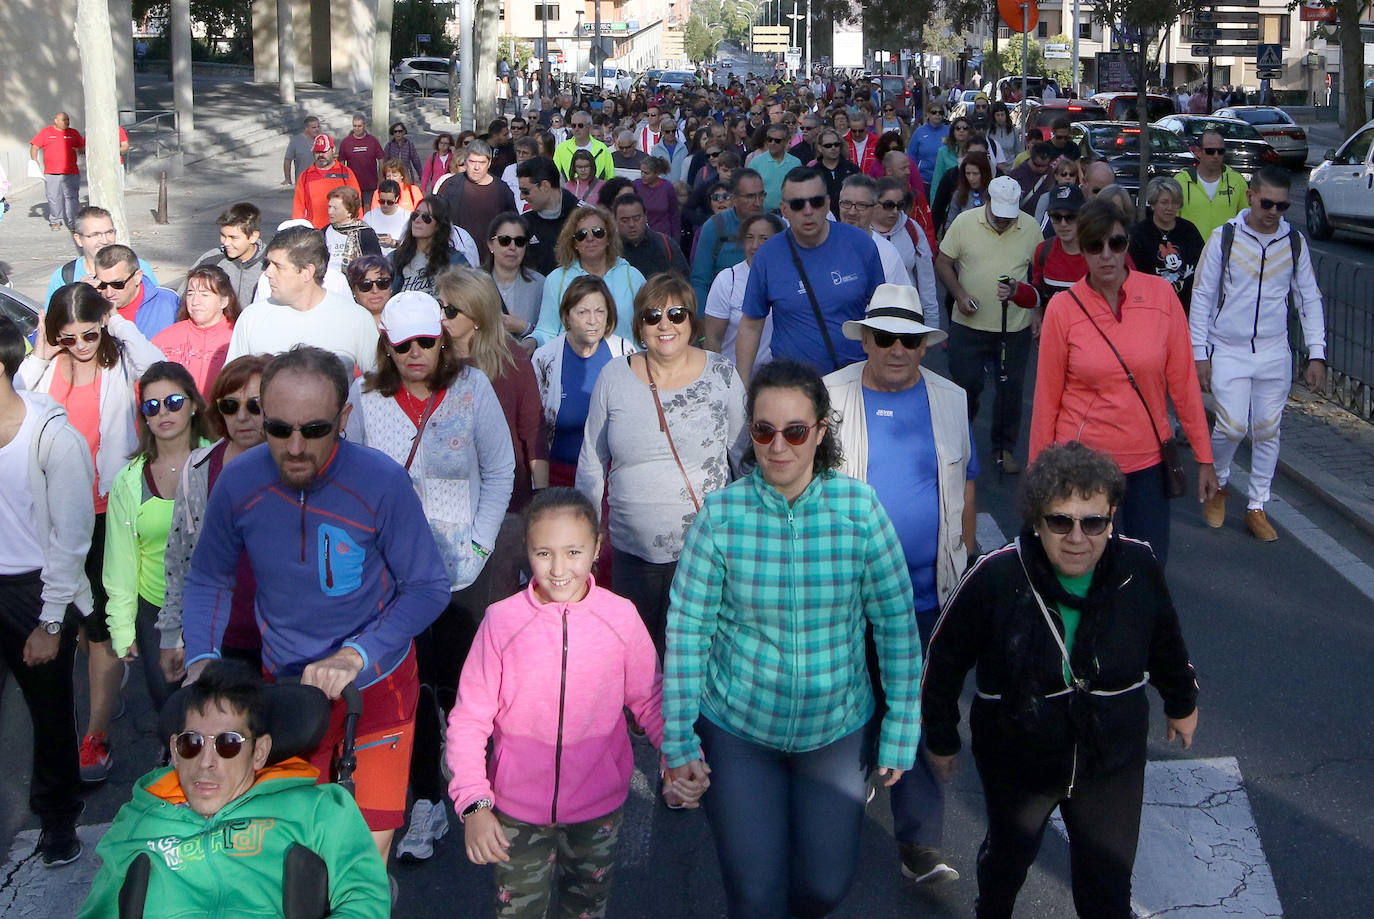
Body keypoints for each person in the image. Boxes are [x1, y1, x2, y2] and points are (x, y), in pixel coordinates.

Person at [662, 359, 921, 919]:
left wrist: (902, 722)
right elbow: (687, 631)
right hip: (740, 731)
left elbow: (896, 624)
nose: (778, 446)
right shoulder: (721, 516)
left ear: (821, 431)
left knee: (825, 887)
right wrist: (679, 738)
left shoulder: (860, 510)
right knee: (755, 896)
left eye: (795, 431)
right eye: (763, 431)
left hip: (836, 731)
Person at [181, 346, 451, 862]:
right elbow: (210, 579)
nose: (296, 447)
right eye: (278, 429)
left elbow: (427, 587)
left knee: (360, 860)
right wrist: (200, 660)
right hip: (284, 688)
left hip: (375, 688)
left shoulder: (382, 482)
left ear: (344, 417)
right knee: (292, 852)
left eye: (315, 430)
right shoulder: (239, 482)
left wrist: (355, 654)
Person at [922, 441, 1200, 919]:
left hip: (1110, 756)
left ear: (1112, 518)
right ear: (1036, 520)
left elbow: (1166, 640)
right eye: (1060, 521)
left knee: (1108, 885)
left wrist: (1181, 701)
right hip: (1018, 753)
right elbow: (944, 661)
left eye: (1093, 522)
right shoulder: (996, 576)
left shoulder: (1137, 566)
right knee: (1008, 861)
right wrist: (942, 739)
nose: (1077, 537)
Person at [447, 488, 703, 918]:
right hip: (515, 812)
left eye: (573, 552)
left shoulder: (620, 617)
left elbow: (651, 699)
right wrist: (473, 802)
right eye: (544, 553)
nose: (559, 568)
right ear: (527, 550)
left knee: (586, 910)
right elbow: (470, 718)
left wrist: (679, 755)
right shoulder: (501, 621)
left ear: (597, 548)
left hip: (597, 810)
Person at [346, 292, 515, 864]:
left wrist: (480, 541)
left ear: (442, 339)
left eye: (425, 341)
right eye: (403, 345)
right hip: (392, 576)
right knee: (409, 691)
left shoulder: (471, 389)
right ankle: (424, 799)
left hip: (460, 569)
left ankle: (476, 784)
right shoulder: (366, 399)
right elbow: (354, 480)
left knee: (463, 686)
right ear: (386, 348)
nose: (416, 353)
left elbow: (499, 469)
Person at [822, 287, 974, 884]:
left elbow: (964, 487)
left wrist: (966, 557)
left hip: (926, 593)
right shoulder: (829, 397)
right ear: (864, 339)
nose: (896, 349)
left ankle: (920, 847)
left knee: (913, 709)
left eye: (909, 339)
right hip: (846, 592)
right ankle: (840, 803)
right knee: (850, 708)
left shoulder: (951, 399)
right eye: (883, 337)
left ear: (923, 346)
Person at [75, 663, 391, 918]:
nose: (205, 763)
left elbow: (365, 900)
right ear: (174, 749)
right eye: (191, 744)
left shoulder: (319, 810)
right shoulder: (137, 820)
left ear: (259, 752)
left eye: (228, 744)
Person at [22, 283, 166, 782]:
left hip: (107, 510)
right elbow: (18, 403)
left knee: (101, 624)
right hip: (52, 516)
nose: (81, 345)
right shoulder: (42, 369)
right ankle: (110, 684)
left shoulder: (121, 359)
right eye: (69, 337)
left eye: (89, 333)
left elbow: (160, 367)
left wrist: (117, 323)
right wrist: (43, 347)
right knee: (79, 620)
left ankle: (96, 733)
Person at [1031, 198, 1217, 566]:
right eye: (1094, 245)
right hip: (1082, 467)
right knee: (1088, 575)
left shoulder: (1161, 296)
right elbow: (1046, 399)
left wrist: (1205, 457)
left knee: (1146, 573)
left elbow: (1183, 384)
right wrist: (1039, 476)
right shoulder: (1063, 309)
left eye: (1115, 243)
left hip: (1147, 466)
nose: (1106, 255)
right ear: (1081, 250)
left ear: (1126, 245)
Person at [577, 274, 747, 654]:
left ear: (692, 321)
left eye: (676, 313)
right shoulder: (613, 376)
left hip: (706, 554)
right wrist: (583, 538)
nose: (665, 324)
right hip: (630, 555)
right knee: (633, 661)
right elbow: (591, 461)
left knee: (693, 659)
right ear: (639, 326)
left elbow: (743, 458)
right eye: (653, 316)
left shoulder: (723, 374)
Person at [1190, 167, 1327, 542]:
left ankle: (1257, 506)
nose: (1273, 212)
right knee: (1232, 426)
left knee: (1268, 429)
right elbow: (1201, 297)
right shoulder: (1226, 238)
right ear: (1251, 196)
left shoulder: (1293, 242)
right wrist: (1199, 353)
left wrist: (1317, 354)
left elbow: (1309, 298)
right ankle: (1218, 483)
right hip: (1229, 349)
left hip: (1273, 350)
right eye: (1267, 203)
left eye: (1282, 206)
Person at [0, 315, 91, 867]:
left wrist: (51, 620)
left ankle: (58, 818)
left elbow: (73, 534)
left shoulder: (52, 435)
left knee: (49, 713)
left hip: (36, 590)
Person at [157, 355, 272, 681]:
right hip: (216, 638)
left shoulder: (294, 466)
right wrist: (172, 636)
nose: (242, 416)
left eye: (254, 405)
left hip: (283, 640)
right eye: (229, 406)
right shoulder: (198, 468)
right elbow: (178, 557)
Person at [104, 362, 211, 711]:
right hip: (156, 612)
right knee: (169, 710)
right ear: (144, 417)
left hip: (214, 606)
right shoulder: (129, 480)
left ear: (194, 404)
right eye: (152, 406)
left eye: (174, 402)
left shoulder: (221, 461)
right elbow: (120, 562)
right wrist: (122, 627)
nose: (163, 412)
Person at [936, 175, 1042, 474]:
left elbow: (1038, 273)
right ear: (989, 202)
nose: (1005, 221)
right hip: (969, 325)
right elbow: (943, 262)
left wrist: (1036, 310)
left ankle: (1004, 449)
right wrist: (959, 294)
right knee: (966, 385)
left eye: (1010, 215)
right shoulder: (965, 222)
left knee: (1011, 391)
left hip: (1014, 327)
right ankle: (960, 443)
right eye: (999, 214)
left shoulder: (1031, 227)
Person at [737, 167, 885, 380]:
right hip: (793, 383)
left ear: (827, 204)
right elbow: (751, 325)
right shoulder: (768, 255)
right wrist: (742, 388)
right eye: (797, 204)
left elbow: (883, 312)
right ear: (783, 209)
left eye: (815, 202)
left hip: (854, 379)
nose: (808, 211)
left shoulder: (861, 244)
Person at [437, 267, 548, 519]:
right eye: (439, 306)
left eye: (451, 310)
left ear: (477, 316)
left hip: (504, 495)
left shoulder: (513, 357)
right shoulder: (431, 356)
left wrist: (541, 494)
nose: (442, 316)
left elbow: (532, 431)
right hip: (447, 494)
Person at [226, 226, 380, 373]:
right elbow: (232, 388)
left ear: (307, 272)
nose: (268, 273)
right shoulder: (251, 317)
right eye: (268, 264)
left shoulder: (356, 319)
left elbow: (379, 384)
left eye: (277, 266)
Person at [533, 275, 637, 486]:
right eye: (583, 312)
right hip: (557, 476)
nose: (593, 320)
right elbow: (533, 429)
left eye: (600, 312)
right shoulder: (544, 358)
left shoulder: (625, 353)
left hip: (610, 478)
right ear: (566, 316)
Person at [532, 206, 646, 345]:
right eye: (582, 234)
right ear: (574, 243)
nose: (590, 238)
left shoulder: (632, 276)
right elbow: (547, 331)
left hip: (625, 362)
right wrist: (530, 342)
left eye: (598, 232)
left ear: (608, 238)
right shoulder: (556, 280)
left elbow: (645, 327)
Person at [703, 213, 782, 370]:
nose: (755, 245)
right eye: (749, 237)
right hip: (734, 376)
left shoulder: (789, 278)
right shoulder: (727, 280)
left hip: (777, 377)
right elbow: (713, 338)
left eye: (764, 238)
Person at [152, 265, 240, 395]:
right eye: (190, 293)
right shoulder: (165, 338)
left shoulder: (238, 337)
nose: (195, 301)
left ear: (224, 301)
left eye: (205, 294)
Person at [1128, 176, 1206, 315]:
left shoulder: (1189, 230)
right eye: (1164, 202)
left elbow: (1202, 265)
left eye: (1175, 202)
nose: (1170, 208)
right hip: (1150, 308)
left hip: (1186, 309)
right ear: (1152, 204)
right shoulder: (1140, 233)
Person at [47, 206, 160, 301]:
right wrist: (77, 296)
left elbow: (157, 305)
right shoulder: (65, 276)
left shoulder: (138, 267)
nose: (105, 241)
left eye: (109, 232)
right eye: (96, 234)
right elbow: (54, 322)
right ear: (78, 239)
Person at [872, 176, 941, 329]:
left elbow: (927, 281)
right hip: (871, 319)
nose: (895, 211)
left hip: (907, 317)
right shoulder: (861, 232)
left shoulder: (912, 229)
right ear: (874, 203)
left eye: (900, 205)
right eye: (889, 205)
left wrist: (931, 323)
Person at [690, 168, 765, 308]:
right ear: (734, 199)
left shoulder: (776, 225)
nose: (757, 203)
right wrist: (702, 320)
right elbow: (700, 280)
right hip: (724, 311)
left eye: (761, 196)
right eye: (750, 197)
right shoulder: (714, 227)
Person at [439, 139, 519, 264]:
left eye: (481, 162)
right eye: (472, 162)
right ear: (465, 161)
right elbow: (437, 220)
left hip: (489, 260)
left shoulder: (502, 190)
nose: (476, 167)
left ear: (489, 163)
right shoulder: (450, 185)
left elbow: (513, 225)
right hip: (455, 259)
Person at [838, 175, 917, 291]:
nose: (852, 211)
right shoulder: (823, 245)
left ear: (874, 208)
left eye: (861, 205)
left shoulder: (887, 253)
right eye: (846, 203)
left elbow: (901, 303)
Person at [182, 203, 267, 308]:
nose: (226, 242)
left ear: (253, 237)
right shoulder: (211, 260)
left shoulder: (270, 263)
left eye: (233, 237)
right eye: (223, 235)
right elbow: (183, 296)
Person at [92, 244, 179, 339]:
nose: (109, 293)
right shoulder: (90, 308)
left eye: (118, 284)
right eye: (102, 285)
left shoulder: (170, 302)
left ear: (137, 277)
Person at [389, 195, 469, 297]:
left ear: (439, 225)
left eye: (426, 218)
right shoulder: (394, 258)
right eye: (415, 215)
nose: (417, 220)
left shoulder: (456, 261)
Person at [484, 212, 546, 343]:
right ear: (490, 244)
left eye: (519, 241)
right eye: (504, 240)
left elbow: (550, 335)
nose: (512, 247)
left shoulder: (541, 285)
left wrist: (525, 328)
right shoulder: (473, 283)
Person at [516, 156, 581, 276]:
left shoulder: (583, 218)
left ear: (545, 186)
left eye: (525, 191)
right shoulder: (524, 223)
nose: (522, 197)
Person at [1177, 130, 1248, 240]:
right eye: (1210, 151)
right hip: (1191, 251)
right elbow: (1172, 219)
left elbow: (1247, 218)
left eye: (1220, 151)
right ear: (1198, 152)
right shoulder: (1181, 181)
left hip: (1226, 251)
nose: (1216, 155)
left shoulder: (1237, 180)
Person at [1031, 184, 1090, 305]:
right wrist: (1016, 291)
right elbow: (1039, 293)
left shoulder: (1102, 251)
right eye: (1056, 217)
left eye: (1071, 217)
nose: (1063, 224)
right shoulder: (1043, 250)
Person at [613, 193, 689, 281]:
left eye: (637, 218)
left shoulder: (665, 244)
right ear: (615, 220)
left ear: (645, 217)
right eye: (625, 220)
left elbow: (683, 281)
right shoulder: (609, 249)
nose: (631, 224)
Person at [292, 134, 361, 230]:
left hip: (341, 231)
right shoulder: (305, 176)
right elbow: (298, 208)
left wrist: (356, 227)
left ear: (333, 150)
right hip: (315, 233)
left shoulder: (345, 173)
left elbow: (357, 203)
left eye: (324, 151)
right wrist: (298, 230)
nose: (320, 155)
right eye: (317, 152)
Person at [30, 112, 85, 230]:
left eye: (68, 120)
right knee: (53, 197)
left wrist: (82, 151)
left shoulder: (73, 133)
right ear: (56, 120)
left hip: (71, 172)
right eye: (64, 120)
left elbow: (81, 147)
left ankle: (73, 222)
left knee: (71, 197)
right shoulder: (46, 132)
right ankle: (55, 220)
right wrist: (34, 161)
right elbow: (34, 146)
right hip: (51, 172)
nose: (67, 122)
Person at [323, 185, 383, 279]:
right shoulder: (324, 232)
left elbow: (375, 266)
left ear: (349, 212)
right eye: (329, 207)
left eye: (335, 208)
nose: (330, 212)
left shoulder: (365, 233)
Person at [753, 123, 803, 212]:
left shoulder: (795, 163)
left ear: (786, 141)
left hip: (788, 213)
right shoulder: (756, 162)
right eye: (769, 139)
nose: (773, 143)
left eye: (777, 141)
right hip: (763, 214)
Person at [554, 113, 615, 181]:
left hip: (596, 190)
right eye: (573, 126)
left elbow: (610, 177)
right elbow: (554, 175)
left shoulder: (602, 149)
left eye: (580, 125)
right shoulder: (561, 148)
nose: (576, 129)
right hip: (569, 190)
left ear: (589, 127)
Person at [338, 115, 385, 205]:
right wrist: (343, 181)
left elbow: (381, 159)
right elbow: (341, 163)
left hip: (370, 184)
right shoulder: (346, 142)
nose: (357, 128)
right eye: (354, 126)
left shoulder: (372, 141)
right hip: (353, 184)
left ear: (364, 126)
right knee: (355, 210)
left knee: (369, 210)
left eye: (359, 126)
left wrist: (381, 178)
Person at [633, 156, 681, 241]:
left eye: (646, 173)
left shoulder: (667, 187)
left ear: (657, 173)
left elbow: (674, 214)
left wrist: (676, 239)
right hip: (641, 235)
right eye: (642, 172)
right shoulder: (636, 185)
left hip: (663, 235)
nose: (643, 175)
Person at [907, 103, 950, 190]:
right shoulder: (919, 132)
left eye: (940, 112)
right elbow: (911, 155)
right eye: (934, 112)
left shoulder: (949, 131)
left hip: (945, 179)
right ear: (927, 114)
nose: (937, 115)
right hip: (924, 180)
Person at [1007, 142, 1057, 217]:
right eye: (1037, 165)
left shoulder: (1053, 175)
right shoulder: (1015, 176)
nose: (1041, 169)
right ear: (1030, 158)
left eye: (1044, 166)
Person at [363, 179, 411, 256]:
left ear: (397, 198)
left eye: (389, 202)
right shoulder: (369, 216)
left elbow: (411, 246)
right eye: (382, 201)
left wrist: (394, 243)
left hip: (398, 259)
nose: (385, 205)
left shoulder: (407, 216)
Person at [346, 254, 394, 325]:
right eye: (365, 285)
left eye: (382, 283)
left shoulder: (406, 320)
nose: (375, 291)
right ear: (353, 290)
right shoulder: (344, 323)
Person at [282, 115, 322, 186]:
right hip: (303, 182)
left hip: (321, 180)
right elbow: (287, 160)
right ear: (306, 128)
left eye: (318, 127)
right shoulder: (296, 141)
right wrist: (287, 179)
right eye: (314, 127)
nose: (317, 129)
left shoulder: (322, 139)